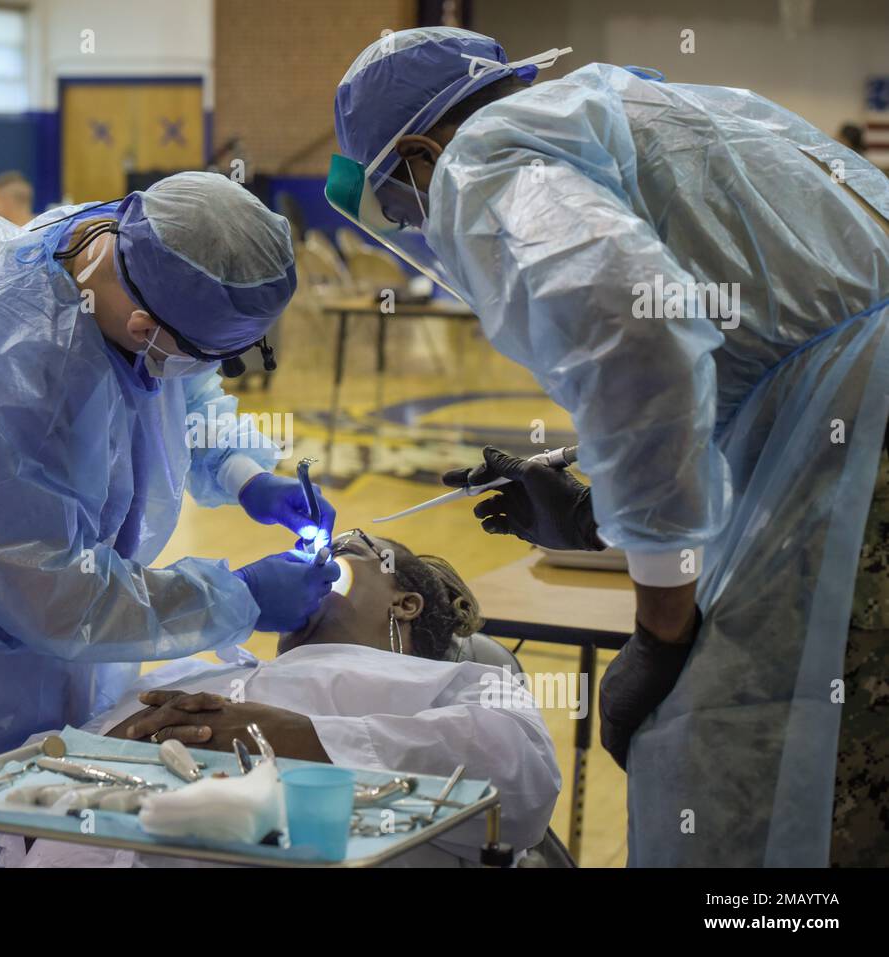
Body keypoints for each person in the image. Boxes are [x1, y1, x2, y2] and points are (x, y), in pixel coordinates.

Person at [332, 27, 889, 866]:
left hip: (858, 459)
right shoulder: (632, 109)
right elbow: (733, 359)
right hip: (846, 425)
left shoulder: (485, 156)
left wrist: (661, 632)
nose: (421, 222)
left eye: (406, 202)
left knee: (743, 770)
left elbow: (641, 333)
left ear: (420, 148)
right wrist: (602, 516)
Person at [0, 171, 340, 867]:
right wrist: (239, 598)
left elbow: (180, 384)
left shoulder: (128, 253)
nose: (197, 369)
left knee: (50, 845)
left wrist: (245, 475)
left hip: (50, 637)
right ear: (146, 327)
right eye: (202, 351)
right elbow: (57, 592)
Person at [0, 529, 561, 867]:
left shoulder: (451, 686)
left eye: (346, 548)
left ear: (404, 603)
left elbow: (520, 779)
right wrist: (102, 756)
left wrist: (300, 739)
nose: (315, 557)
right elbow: (14, 802)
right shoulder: (193, 677)